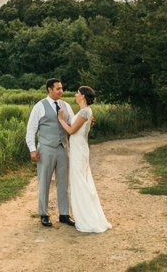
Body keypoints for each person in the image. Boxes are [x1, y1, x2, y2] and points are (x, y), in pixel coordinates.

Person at [56, 86, 112, 233]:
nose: (75, 94)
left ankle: (88, 219)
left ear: (83, 97)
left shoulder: (86, 111)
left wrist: (61, 120)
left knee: (80, 181)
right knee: (80, 181)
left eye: (78, 93)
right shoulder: (84, 112)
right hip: (78, 149)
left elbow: (71, 131)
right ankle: (85, 215)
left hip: (79, 150)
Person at [25, 78, 76, 227]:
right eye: (58, 88)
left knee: (64, 182)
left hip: (63, 148)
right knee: (44, 181)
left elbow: (73, 124)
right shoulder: (39, 106)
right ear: (49, 89)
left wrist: (86, 121)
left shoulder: (66, 106)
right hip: (46, 149)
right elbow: (31, 130)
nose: (61, 91)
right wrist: (32, 149)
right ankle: (44, 214)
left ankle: (64, 214)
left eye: (62, 88)